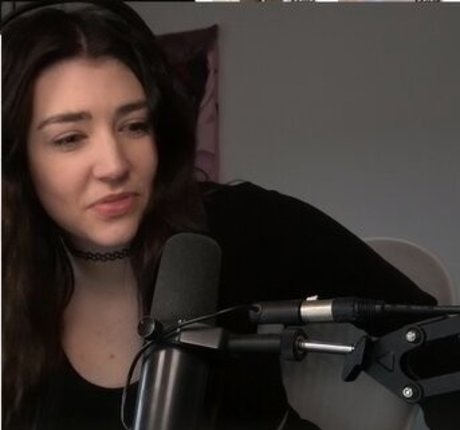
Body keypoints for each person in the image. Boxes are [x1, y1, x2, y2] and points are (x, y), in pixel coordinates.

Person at [2, 2, 458, 430]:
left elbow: (440, 339)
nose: (115, 164)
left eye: (134, 125)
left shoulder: (240, 223)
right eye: (69, 138)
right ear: (17, 160)